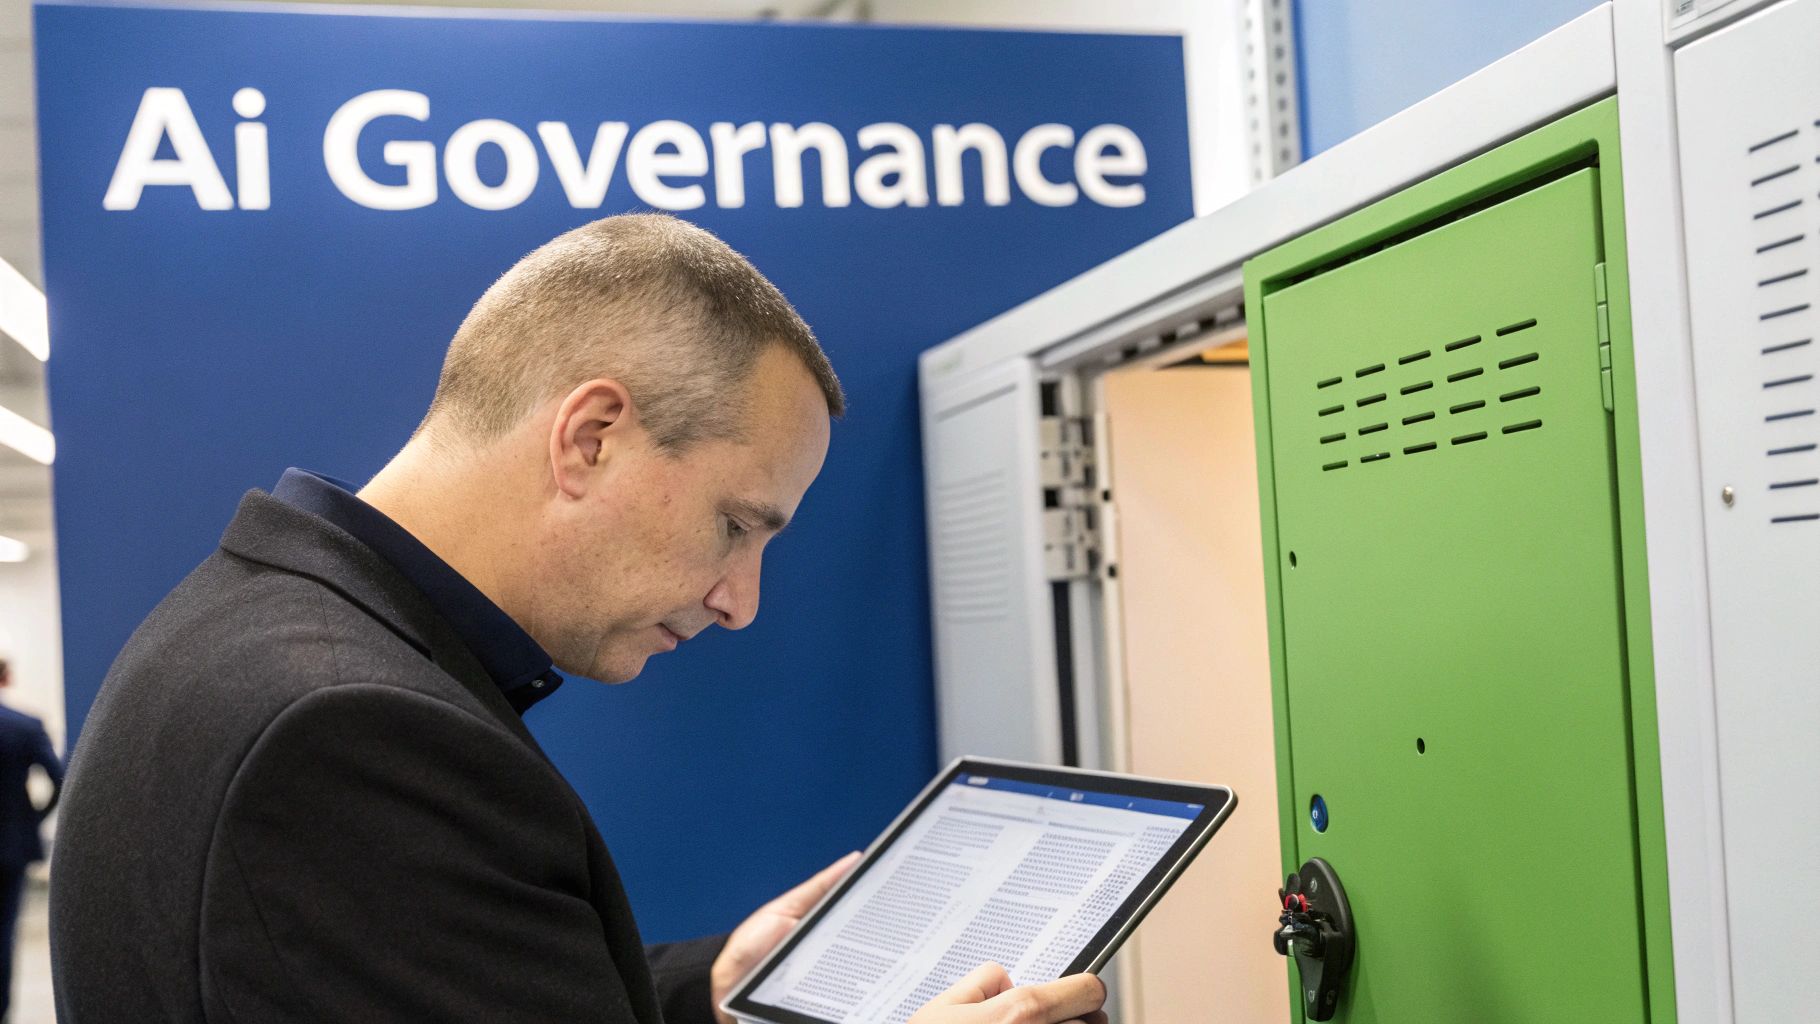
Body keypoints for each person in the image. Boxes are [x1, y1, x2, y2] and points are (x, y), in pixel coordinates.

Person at [49, 214, 1107, 1024]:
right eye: (736, 525)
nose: (740, 602)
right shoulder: (349, 730)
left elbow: (424, 982)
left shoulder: (252, 623)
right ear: (591, 437)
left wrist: (707, 990)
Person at [0, 658, 61, 1021]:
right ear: (7, 677)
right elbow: (59, 777)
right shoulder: (25, 726)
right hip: (11, 845)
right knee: (4, 931)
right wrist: (34, 818)